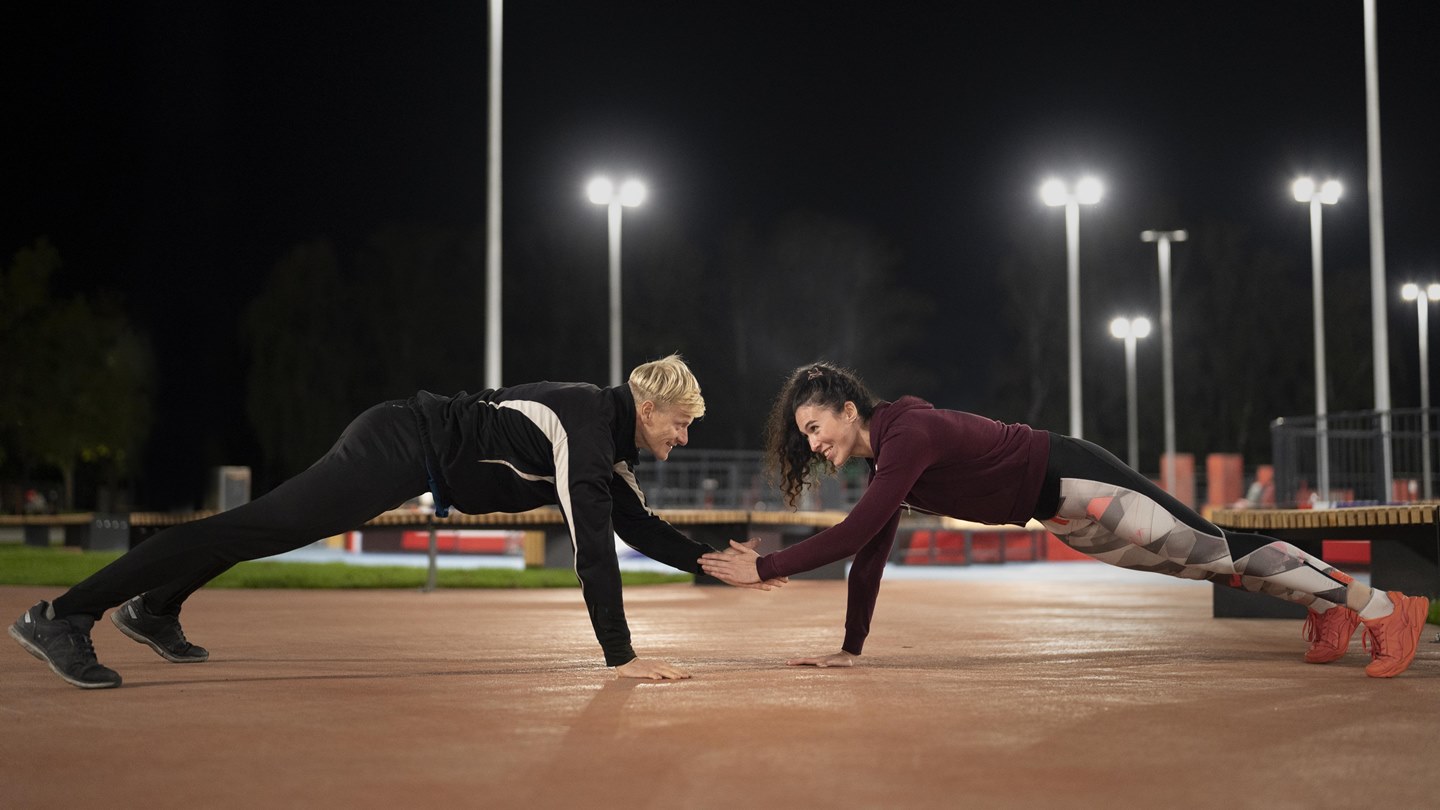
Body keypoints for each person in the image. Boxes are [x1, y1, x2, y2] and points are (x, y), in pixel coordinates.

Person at [12, 355, 779, 689]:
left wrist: (714, 563)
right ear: (648, 407)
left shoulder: (610, 448)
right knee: (256, 527)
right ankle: (63, 615)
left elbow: (638, 527)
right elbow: (593, 543)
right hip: (400, 443)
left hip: (411, 456)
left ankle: (156, 608)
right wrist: (621, 656)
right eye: (680, 424)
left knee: (264, 530)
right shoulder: (584, 419)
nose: (683, 438)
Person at [700, 361, 1432, 678]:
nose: (811, 442)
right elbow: (872, 550)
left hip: (1073, 473)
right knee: (1197, 564)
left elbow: (854, 532)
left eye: (814, 425)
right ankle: (1326, 606)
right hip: (1055, 511)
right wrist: (852, 647)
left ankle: (1382, 607)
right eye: (803, 437)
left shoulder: (905, 435)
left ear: (847, 410)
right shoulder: (888, 454)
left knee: (1211, 547)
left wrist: (764, 567)